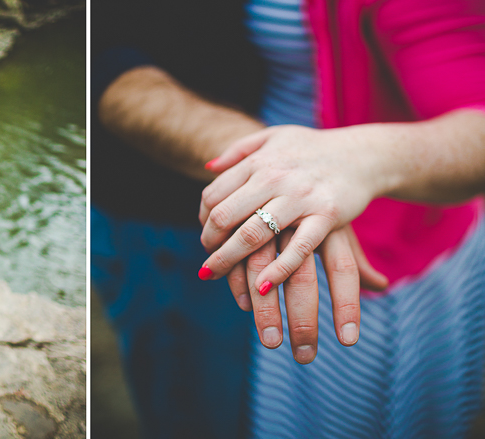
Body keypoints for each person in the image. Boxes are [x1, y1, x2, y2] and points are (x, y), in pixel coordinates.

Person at [94, 0, 485, 437]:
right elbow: (106, 53)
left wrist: (351, 161)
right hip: (177, 212)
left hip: (389, 220)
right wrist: (273, 170)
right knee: (205, 405)